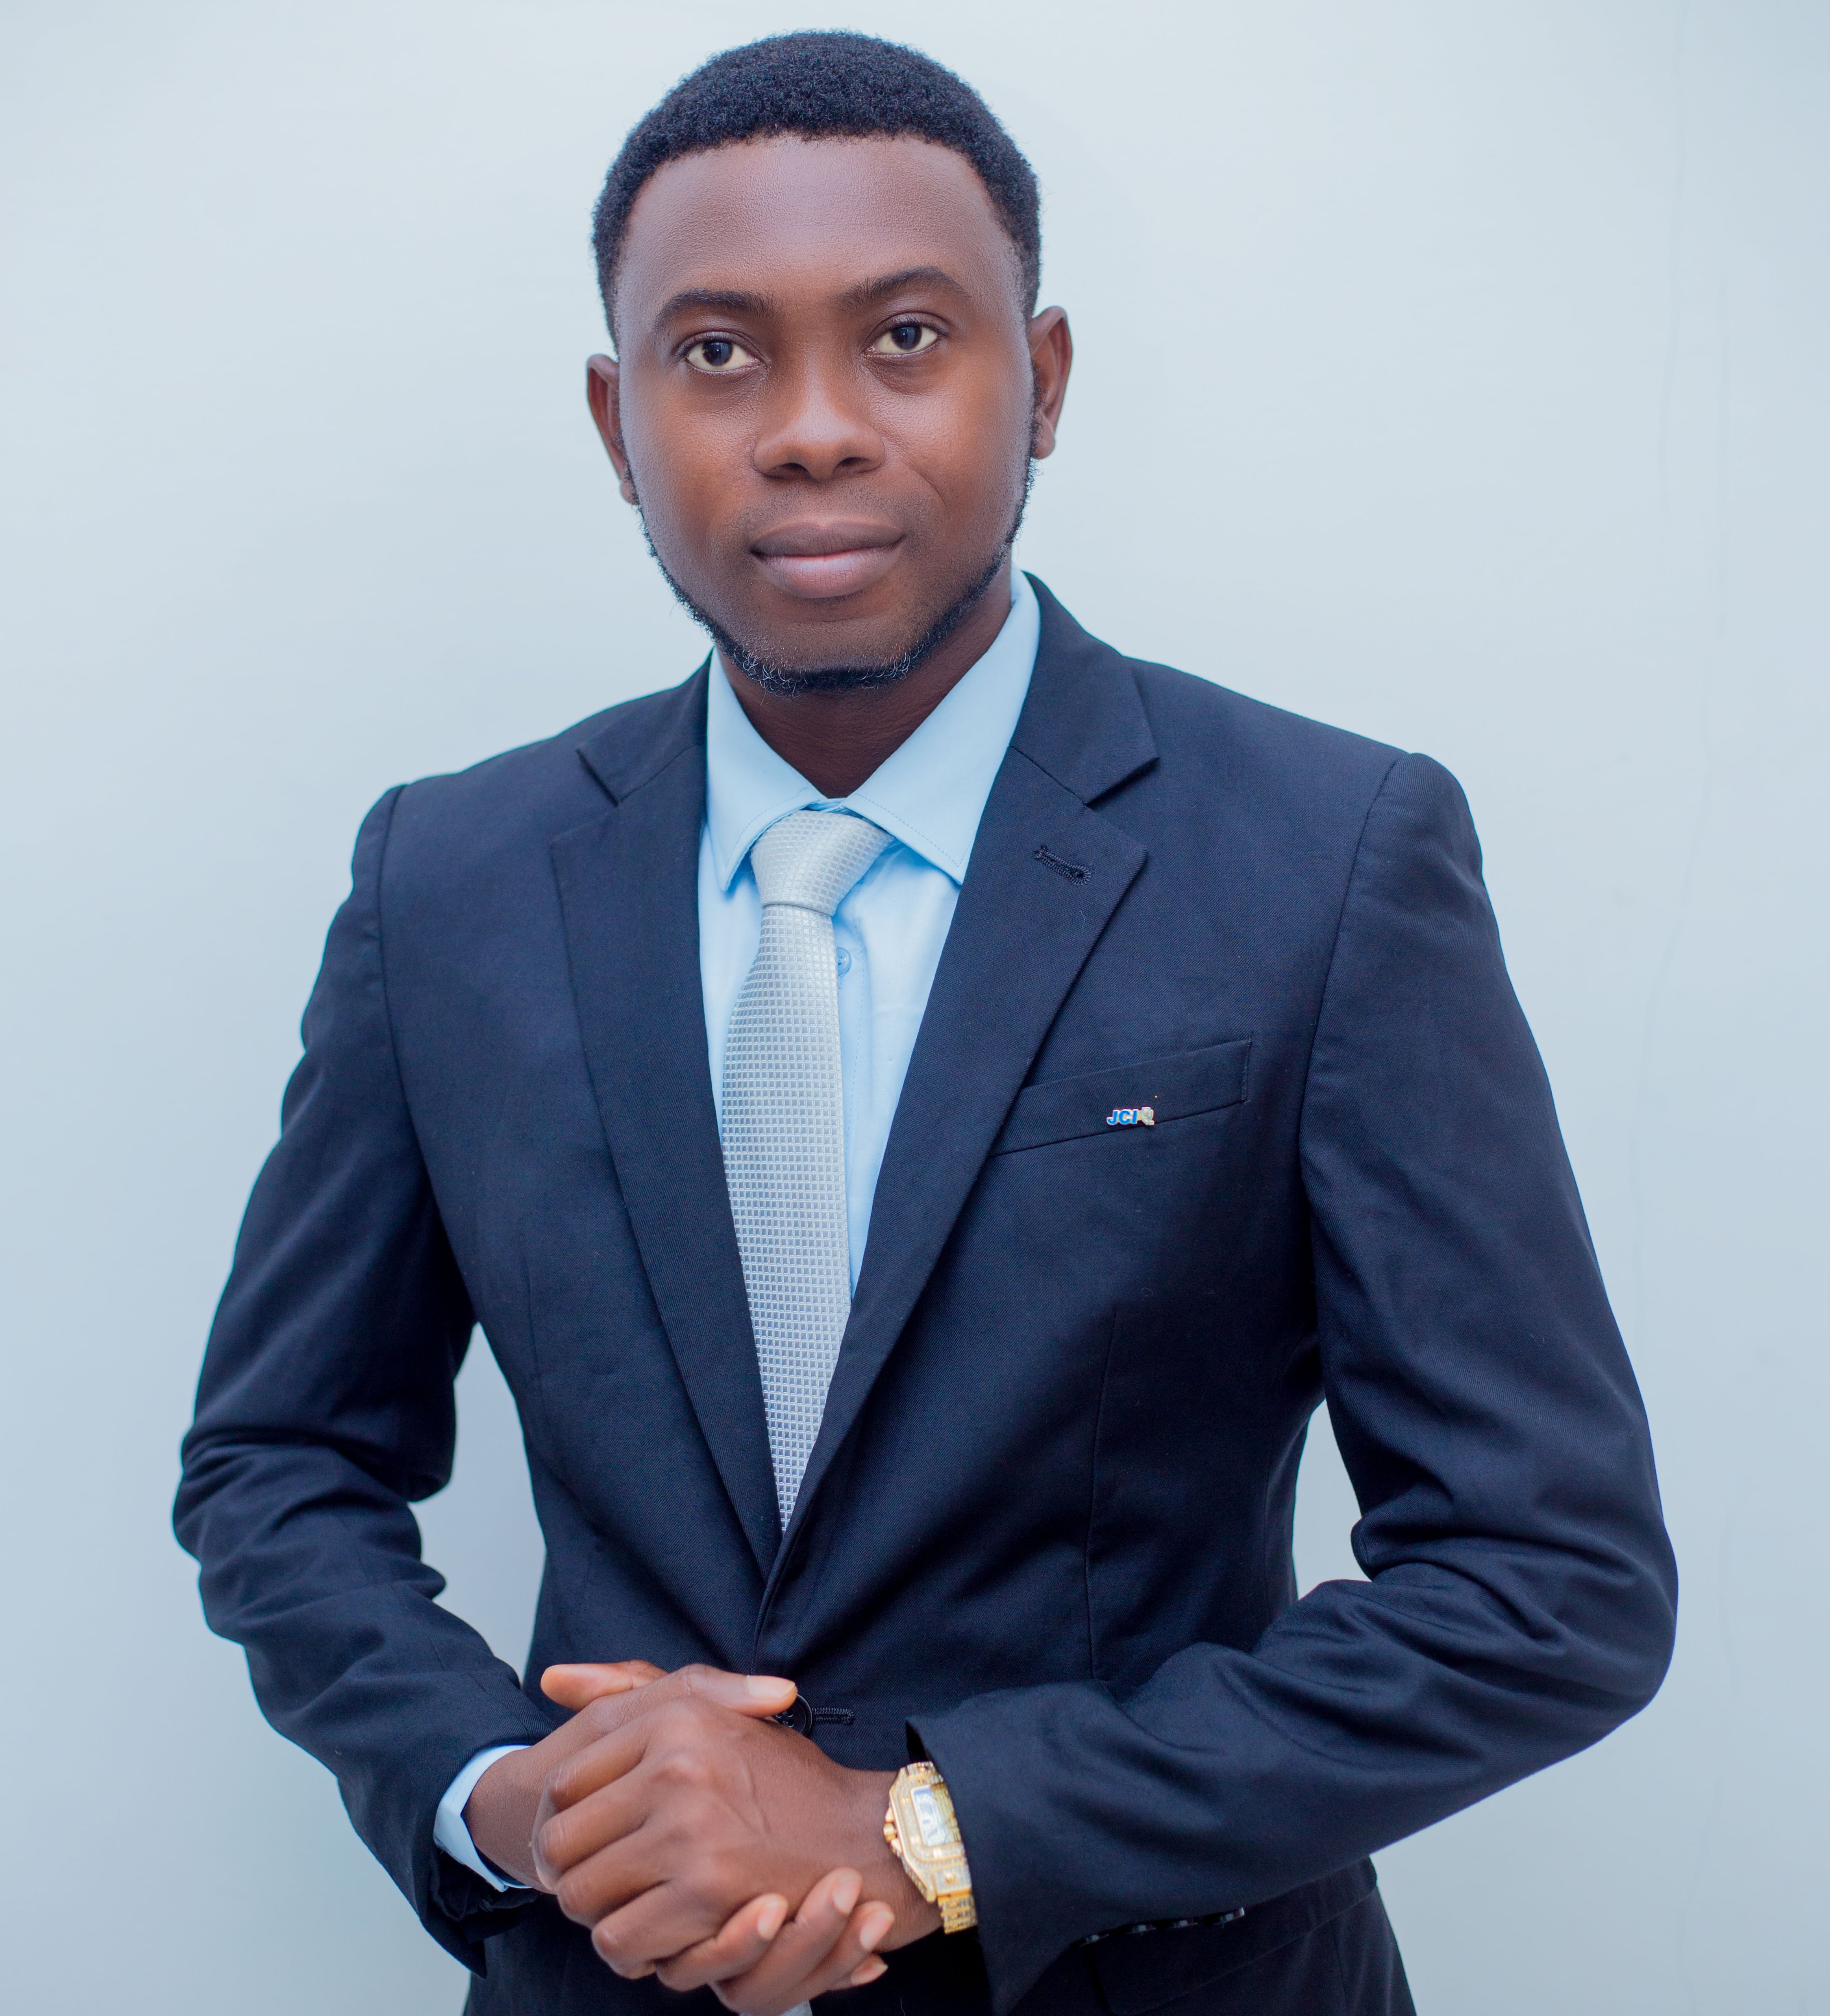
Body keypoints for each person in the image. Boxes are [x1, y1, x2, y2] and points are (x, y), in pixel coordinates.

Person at [176, 31, 1676, 2016]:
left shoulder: (1328, 857)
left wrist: (923, 1831)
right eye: (717, 353)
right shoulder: (448, 879)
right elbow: (278, 1463)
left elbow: (1543, 1581)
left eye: (903, 338)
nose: (810, 430)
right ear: (617, 419)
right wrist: (509, 1797)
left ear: (1037, 381)